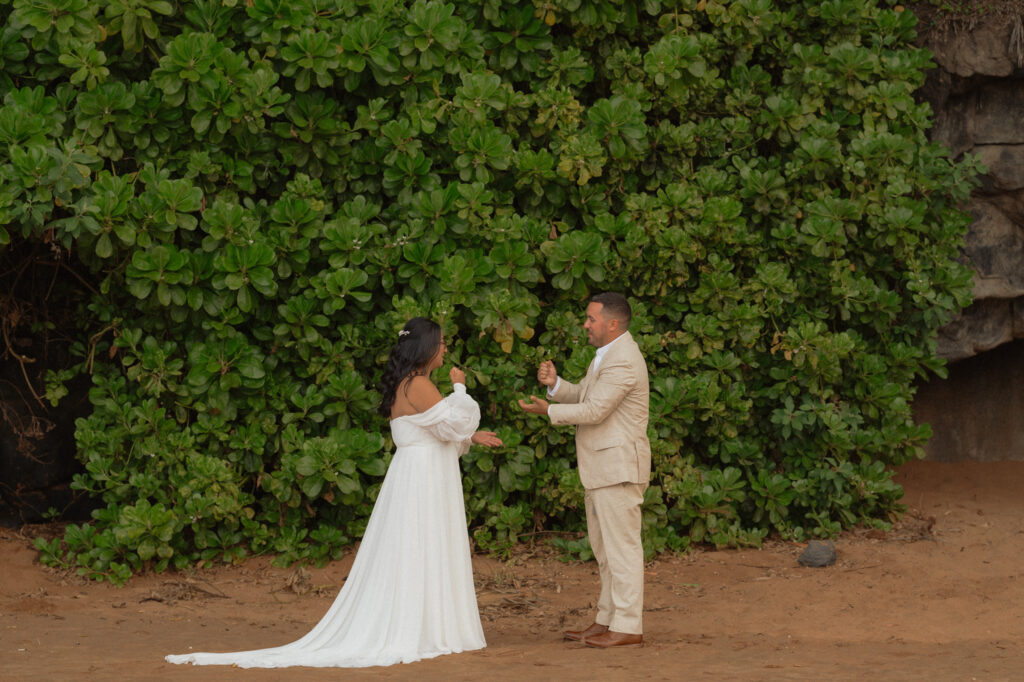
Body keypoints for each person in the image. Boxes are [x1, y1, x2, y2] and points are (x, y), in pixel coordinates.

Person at [166, 317, 502, 668]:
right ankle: (423, 627)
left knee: (419, 545)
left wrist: (469, 438)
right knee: (421, 544)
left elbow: (436, 430)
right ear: (426, 348)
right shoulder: (417, 384)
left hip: (419, 475)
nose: (446, 348)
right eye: (442, 342)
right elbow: (456, 420)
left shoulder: (407, 385)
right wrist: (461, 389)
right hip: (422, 480)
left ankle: (428, 623)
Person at [519, 292, 650, 649]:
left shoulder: (623, 360)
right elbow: (587, 399)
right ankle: (608, 619)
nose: (585, 324)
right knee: (605, 551)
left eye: (591, 319)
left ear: (612, 323)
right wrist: (556, 387)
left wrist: (546, 412)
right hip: (604, 468)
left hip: (617, 468)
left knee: (621, 550)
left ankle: (627, 625)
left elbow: (594, 412)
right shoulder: (607, 356)